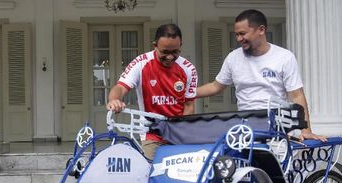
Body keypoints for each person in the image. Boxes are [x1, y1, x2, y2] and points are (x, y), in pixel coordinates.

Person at [196, 9, 326, 142]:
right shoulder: (233, 58)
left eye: (242, 34)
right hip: (245, 130)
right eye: (236, 35)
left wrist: (307, 131)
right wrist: (187, 94)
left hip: (277, 130)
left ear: (261, 30)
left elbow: (297, 95)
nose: (239, 39)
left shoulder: (285, 57)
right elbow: (216, 86)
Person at [107, 23, 198, 160]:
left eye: (175, 52)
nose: (170, 57)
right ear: (155, 46)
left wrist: (182, 132)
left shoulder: (188, 68)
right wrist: (114, 100)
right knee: (151, 173)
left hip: (178, 134)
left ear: (180, 46)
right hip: (151, 133)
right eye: (165, 52)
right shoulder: (141, 63)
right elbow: (120, 87)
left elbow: (189, 105)